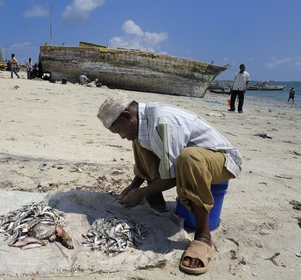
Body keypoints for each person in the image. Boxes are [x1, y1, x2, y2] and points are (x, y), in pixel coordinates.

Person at [97, 92, 242, 275]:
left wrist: (142, 193)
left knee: (189, 158)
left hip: (222, 160)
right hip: (192, 162)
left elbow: (174, 176)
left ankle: (203, 237)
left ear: (128, 116)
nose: (121, 136)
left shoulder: (162, 122)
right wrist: (135, 185)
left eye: (119, 130)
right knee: (138, 141)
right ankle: (157, 203)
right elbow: (157, 157)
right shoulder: (144, 121)